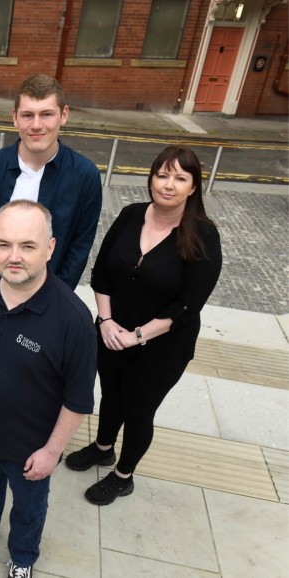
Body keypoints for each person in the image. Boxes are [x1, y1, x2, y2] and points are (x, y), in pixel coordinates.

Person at [0, 201, 96, 578]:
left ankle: (23, 558)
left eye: (28, 246)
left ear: (50, 248)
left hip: (30, 448)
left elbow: (78, 401)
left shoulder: (73, 321)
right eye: (4, 244)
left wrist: (51, 452)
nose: (14, 257)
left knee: (28, 508)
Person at [0, 73, 102, 460]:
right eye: (28, 115)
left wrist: (53, 297)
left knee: (32, 373)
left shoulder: (85, 176)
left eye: (47, 115)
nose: (37, 125)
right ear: (14, 117)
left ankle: (27, 435)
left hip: (47, 299)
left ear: (64, 115)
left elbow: (79, 245)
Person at [65, 145, 222, 505]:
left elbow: (186, 305)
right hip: (110, 331)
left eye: (180, 178)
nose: (169, 185)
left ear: (193, 187)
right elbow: (102, 273)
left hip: (162, 346)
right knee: (111, 394)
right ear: (151, 178)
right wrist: (105, 321)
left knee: (139, 408)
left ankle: (123, 475)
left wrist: (136, 336)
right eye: (162, 175)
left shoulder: (203, 235)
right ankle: (103, 447)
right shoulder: (130, 214)